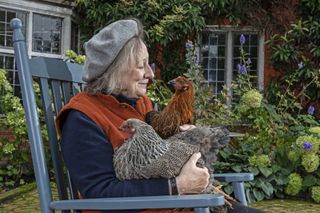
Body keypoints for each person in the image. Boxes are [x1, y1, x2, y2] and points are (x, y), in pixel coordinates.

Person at [56, 19, 264, 213]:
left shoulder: (140, 104)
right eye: (141, 66)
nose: (151, 73)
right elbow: (101, 193)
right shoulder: (82, 118)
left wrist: (185, 139)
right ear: (115, 70)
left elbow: (161, 157)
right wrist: (177, 186)